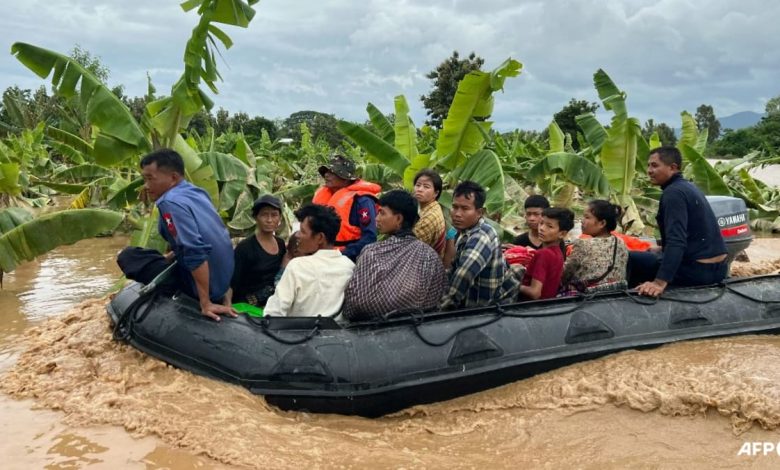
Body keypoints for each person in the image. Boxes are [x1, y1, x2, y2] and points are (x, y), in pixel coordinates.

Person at [116, 148, 235, 321]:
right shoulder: (197, 192)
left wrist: (205, 302)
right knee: (156, 256)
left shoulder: (169, 203)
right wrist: (173, 255)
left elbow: (195, 252)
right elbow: (201, 235)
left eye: (150, 179)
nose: (146, 186)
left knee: (128, 255)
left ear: (172, 178)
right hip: (223, 279)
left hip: (209, 286)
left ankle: (197, 295)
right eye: (144, 179)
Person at [631, 146, 728, 297]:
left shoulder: (673, 193)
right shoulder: (688, 186)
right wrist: (662, 248)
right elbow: (692, 233)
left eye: (655, 165)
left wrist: (659, 283)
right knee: (648, 254)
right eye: (648, 165)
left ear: (673, 168)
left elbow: (677, 240)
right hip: (719, 269)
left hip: (698, 271)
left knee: (631, 259)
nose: (649, 170)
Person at [343, 190, 447, 321]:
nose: (377, 218)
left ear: (398, 219)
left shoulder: (372, 253)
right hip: (420, 329)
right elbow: (437, 298)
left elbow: (355, 304)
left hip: (375, 330)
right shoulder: (430, 256)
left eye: (382, 213)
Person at [264, 204, 355, 317]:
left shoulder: (298, 266)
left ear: (320, 238)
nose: (298, 235)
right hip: (335, 332)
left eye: (302, 231)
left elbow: (273, 314)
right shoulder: (349, 266)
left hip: (297, 333)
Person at [440, 181, 518, 310]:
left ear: (479, 212)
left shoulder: (481, 237)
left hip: (482, 309)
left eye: (465, 209)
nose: (457, 214)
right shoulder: (465, 232)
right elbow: (453, 268)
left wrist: (439, 310)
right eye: (455, 207)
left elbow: (463, 275)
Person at [312, 155, 381, 261]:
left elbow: (369, 237)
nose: (326, 175)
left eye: (332, 172)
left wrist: (342, 254)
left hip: (348, 259)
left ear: (345, 178)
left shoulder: (363, 200)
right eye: (326, 172)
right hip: (320, 256)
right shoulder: (323, 195)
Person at [226, 195, 286, 307]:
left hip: (272, 305)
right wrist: (228, 307)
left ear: (280, 218)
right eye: (264, 215)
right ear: (255, 217)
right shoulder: (245, 248)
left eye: (274, 215)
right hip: (247, 306)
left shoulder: (281, 244)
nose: (269, 220)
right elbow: (231, 283)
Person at [560, 200, 629, 295]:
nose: (582, 221)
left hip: (587, 296)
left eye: (587, 217)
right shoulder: (620, 242)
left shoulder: (583, 244)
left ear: (602, 223)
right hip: (615, 294)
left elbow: (565, 275)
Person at [518, 207, 574, 300]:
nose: (542, 228)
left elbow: (535, 293)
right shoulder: (559, 253)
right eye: (541, 223)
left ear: (562, 234)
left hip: (530, 307)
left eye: (550, 226)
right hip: (547, 306)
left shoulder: (543, 254)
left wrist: (516, 285)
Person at [412, 169, 447, 259]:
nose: (420, 189)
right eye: (418, 185)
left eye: (426, 187)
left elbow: (408, 248)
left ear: (436, 193)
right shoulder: (432, 207)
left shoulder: (429, 217)